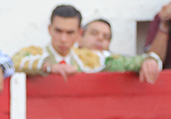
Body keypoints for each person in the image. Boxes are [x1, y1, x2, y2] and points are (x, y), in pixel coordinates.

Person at [13, 5, 162, 84]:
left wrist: (149, 60)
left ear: (79, 33)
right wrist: (49, 67)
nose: (63, 39)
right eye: (58, 31)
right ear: (49, 29)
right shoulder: (35, 53)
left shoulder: (89, 58)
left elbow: (122, 61)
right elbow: (14, 63)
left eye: (70, 32)